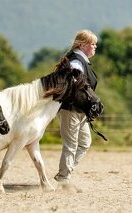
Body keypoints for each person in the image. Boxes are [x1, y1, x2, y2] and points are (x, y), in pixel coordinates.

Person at [54, 29, 98, 184]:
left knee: (85, 143)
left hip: (80, 110)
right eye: (93, 44)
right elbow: (73, 81)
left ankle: (64, 173)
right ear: (83, 44)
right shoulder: (76, 61)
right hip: (70, 109)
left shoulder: (81, 60)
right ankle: (64, 178)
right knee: (71, 144)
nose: (95, 47)